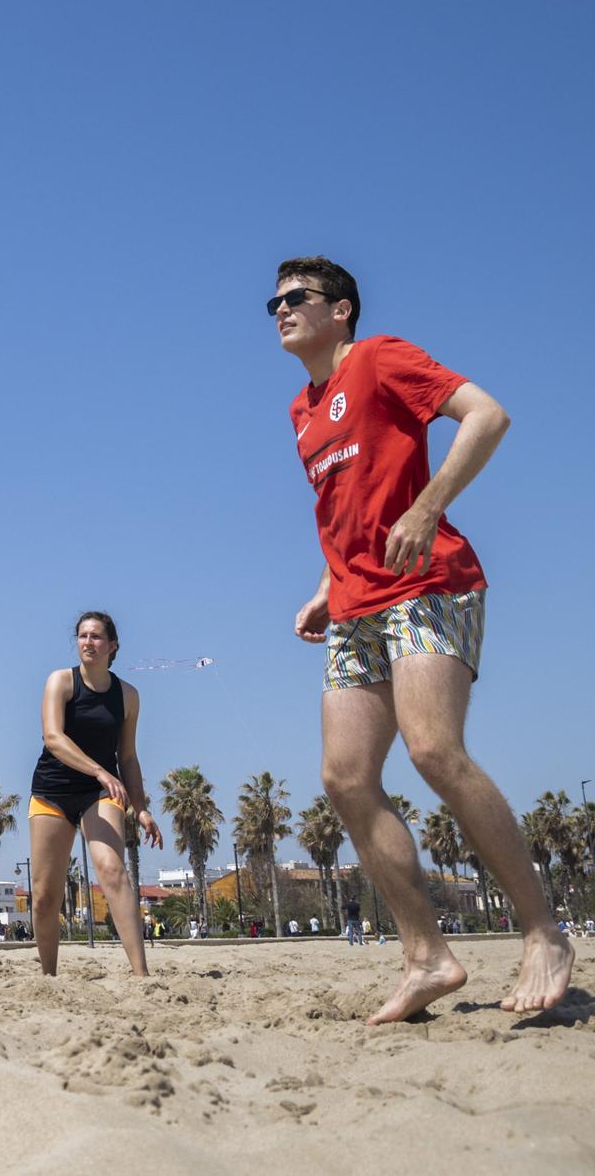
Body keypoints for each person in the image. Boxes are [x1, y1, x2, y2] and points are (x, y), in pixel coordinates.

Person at [271, 257, 573, 1021]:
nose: (280, 309)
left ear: (342, 309)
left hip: (429, 580)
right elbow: (347, 509)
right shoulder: (301, 411)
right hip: (354, 606)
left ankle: (544, 929)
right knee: (345, 777)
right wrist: (321, 590)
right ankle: (427, 955)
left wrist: (431, 504)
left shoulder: (381, 357)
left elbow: (487, 415)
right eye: (271, 302)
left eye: (296, 297)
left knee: (434, 749)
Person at [29, 611, 164, 978]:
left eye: (97, 637)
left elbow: (129, 756)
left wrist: (141, 809)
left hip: (99, 795)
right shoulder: (61, 681)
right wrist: (100, 770)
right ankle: (49, 977)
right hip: (51, 793)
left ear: (113, 646)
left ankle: (141, 976)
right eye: (82, 636)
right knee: (44, 897)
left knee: (112, 870)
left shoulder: (127, 696)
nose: (88, 642)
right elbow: (53, 738)